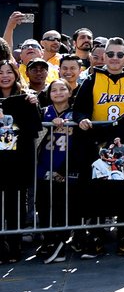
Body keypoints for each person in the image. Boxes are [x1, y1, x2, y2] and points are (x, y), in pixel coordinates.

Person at [71, 37, 124, 258]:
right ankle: (95, 241)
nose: (115, 59)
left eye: (120, 54)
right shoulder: (91, 80)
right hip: (99, 144)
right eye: (110, 54)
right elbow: (77, 109)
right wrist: (82, 120)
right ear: (103, 56)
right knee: (97, 191)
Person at [0, 59, 42, 263]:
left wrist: (35, 105)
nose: (4, 76)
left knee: (16, 204)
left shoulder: (26, 98)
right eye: (0, 72)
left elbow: (36, 127)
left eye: (9, 72)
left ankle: (14, 246)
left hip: (18, 160)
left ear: (16, 74)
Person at [36, 80, 76, 263]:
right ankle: (48, 240)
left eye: (63, 89)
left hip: (65, 167)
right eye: (54, 90)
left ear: (69, 92)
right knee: (43, 205)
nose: (58, 92)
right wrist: (47, 124)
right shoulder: (44, 113)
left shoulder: (76, 113)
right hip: (44, 166)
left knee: (62, 205)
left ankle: (59, 241)